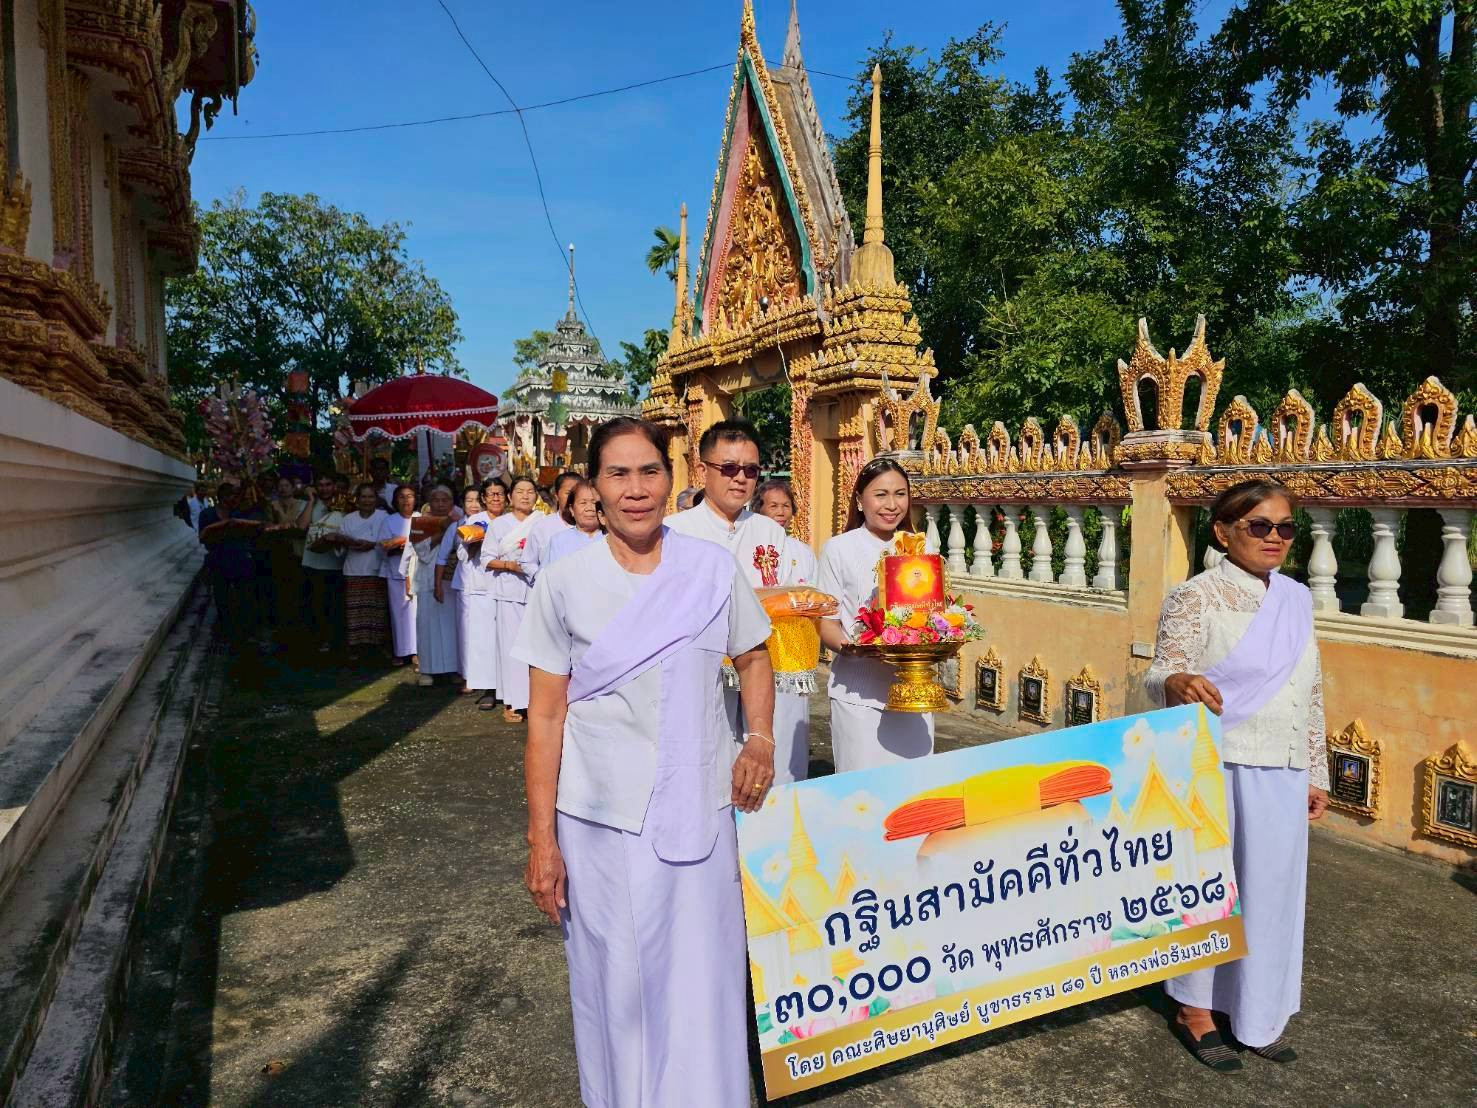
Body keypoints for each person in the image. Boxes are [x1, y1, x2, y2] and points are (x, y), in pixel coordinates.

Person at [514, 416, 775, 1108]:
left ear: (671, 477)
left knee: (702, 979)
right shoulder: (565, 583)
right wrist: (542, 842)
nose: (636, 489)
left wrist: (760, 739)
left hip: (699, 806)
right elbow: (544, 716)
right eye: (617, 474)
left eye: (649, 471)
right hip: (598, 820)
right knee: (615, 984)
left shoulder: (712, 568)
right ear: (592, 487)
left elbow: (753, 653)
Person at [1146, 478, 1328, 1071]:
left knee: (1271, 896)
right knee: (1210, 889)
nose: (1274, 537)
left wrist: (1315, 771)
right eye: (1259, 526)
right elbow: (1164, 669)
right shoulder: (1195, 597)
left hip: (1282, 767)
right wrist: (1175, 683)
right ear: (1224, 532)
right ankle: (1195, 1008)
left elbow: (1312, 691)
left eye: (1284, 528)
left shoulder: (1297, 599)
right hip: (1216, 764)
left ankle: (1257, 1011)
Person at [668, 421, 800, 768]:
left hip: (760, 665)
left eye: (750, 470)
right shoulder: (676, 532)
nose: (740, 478)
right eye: (728, 468)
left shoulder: (769, 530)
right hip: (700, 671)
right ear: (702, 470)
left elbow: (784, 597)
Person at [816, 457, 935, 772]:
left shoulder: (921, 548)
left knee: (915, 795)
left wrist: (934, 642)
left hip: (914, 694)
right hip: (858, 695)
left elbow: (931, 615)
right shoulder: (838, 549)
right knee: (861, 800)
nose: (892, 504)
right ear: (859, 499)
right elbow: (826, 624)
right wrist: (855, 649)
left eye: (900, 494)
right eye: (880, 494)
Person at [751, 478, 819, 782]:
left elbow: (815, 596)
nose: (780, 512)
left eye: (786, 506)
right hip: (756, 648)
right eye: (773, 506)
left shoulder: (802, 551)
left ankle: (792, 787)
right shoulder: (749, 544)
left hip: (794, 651)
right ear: (759, 509)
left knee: (791, 721)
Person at [487, 477, 542, 723]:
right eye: (520, 491)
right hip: (508, 592)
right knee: (510, 649)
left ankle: (536, 701)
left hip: (536, 592)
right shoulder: (499, 525)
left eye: (530, 491)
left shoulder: (542, 523)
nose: (525, 496)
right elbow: (486, 559)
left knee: (536, 649)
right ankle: (512, 702)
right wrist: (511, 565)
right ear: (510, 497)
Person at [437, 486, 492, 700]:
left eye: (477, 500)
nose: (474, 505)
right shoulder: (458, 526)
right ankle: (469, 675)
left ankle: (489, 676)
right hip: (467, 583)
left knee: (487, 633)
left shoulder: (497, 522)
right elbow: (443, 557)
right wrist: (438, 583)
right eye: (469, 500)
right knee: (467, 632)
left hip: (490, 583)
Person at [197, 481, 266, 648]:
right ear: (221, 497)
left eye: (234, 495)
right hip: (219, 559)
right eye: (229, 495)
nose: (232, 498)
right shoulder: (208, 514)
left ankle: (243, 631)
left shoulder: (240, 513)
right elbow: (204, 538)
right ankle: (224, 630)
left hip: (240, 558)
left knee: (245, 595)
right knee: (222, 596)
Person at [407, 486, 460, 687]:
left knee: (451, 627)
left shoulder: (460, 521)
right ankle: (427, 670)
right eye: (435, 500)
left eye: (444, 500)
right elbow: (420, 549)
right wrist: (443, 529)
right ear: (429, 502)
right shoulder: (420, 522)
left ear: (451, 503)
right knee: (427, 626)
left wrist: (450, 527)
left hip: (450, 577)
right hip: (427, 579)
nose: (440, 504)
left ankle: (454, 668)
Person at [336, 482, 390, 661]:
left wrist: (373, 544)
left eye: (370, 496)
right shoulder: (348, 519)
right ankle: (356, 647)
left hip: (376, 568)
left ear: (376, 499)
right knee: (355, 610)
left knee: (376, 609)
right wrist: (349, 543)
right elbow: (340, 545)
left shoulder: (384, 517)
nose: (367, 500)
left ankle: (378, 645)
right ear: (357, 500)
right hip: (354, 569)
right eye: (363, 497)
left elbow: (390, 541)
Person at [298, 473, 347, 653]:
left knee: (333, 605)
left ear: (334, 486)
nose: (324, 488)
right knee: (314, 605)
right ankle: (317, 641)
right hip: (312, 563)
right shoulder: (311, 505)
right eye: (321, 485)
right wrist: (310, 500)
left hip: (335, 564)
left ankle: (334, 642)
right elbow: (302, 526)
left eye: (328, 484)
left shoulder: (344, 505)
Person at [380, 485, 418, 668]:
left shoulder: (421, 518)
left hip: (418, 572)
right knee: (399, 613)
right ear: (395, 500)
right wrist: (400, 544)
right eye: (402, 497)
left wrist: (408, 544)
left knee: (417, 613)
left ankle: (417, 651)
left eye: (410, 496)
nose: (406, 500)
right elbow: (384, 545)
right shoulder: (390, 520)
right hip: (396, 572)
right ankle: (401, 652)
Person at [525, 471, 581, 573]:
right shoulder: (542, 527)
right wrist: (543, 580)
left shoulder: (594, 528)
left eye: (577, 494)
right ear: (556, 495)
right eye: (568, 493)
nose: (573, 498)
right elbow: (528, 562)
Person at [545, 478, 602, 566]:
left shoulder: (614, 539)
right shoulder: (558, 541)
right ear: (572, 509)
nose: (589, 508)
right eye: (583, 503)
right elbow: (546, 576)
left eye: (594, 502)